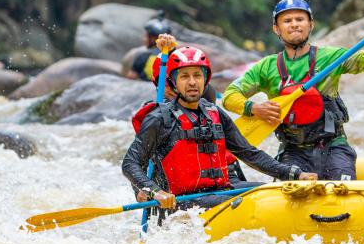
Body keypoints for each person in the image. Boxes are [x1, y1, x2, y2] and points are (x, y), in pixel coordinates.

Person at [222, 0, 364, 179]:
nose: (294, 24)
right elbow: (229, 96)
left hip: (333, 145)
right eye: (287, 20)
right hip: (292, 150)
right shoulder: (266, 67)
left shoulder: (331, 57)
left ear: (311, 24)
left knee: (341, 191)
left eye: (300, 19)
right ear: (276, 29)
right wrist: (254, 108)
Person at [122, 46, 316, 212]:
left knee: (275, 191)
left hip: (221, 191)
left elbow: (250, 154)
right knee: (255, 202)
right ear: (173, 81)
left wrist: (294, 174)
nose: (192, 82)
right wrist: (154, 191)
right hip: (183, 202)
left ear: (205, 80)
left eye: (197, 75)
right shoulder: (159, 118)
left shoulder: (214, 112)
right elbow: (130, 163)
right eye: (184, 76)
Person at [127, 13, 217, 102]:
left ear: (153, 38)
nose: (144, 39)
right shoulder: (179, 57)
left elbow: (130, 79)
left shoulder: (142, 56)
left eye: (146, 36)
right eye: (185, 76)